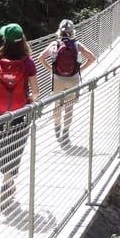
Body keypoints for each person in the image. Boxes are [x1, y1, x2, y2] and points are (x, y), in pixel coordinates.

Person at [0, 23, 40, 217]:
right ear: (23, 40)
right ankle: (8, 182)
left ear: (4, 40)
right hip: (21, 112)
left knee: (4, 144)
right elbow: (36, 91)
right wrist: (32, 102)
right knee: (16, 147)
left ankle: (7, 180)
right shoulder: (27, 62)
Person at [40, 19, 97, 147]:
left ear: (59, 31)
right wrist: (80, 69)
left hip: (57, 79)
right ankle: (66, 133)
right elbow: (92, 58)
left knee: (57, 105)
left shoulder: (55, 44)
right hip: (73, 79)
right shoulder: (77, 44)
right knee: (69, 107)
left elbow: (40, 57)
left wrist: (51, 69)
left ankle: (57, 128)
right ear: (72, 32)